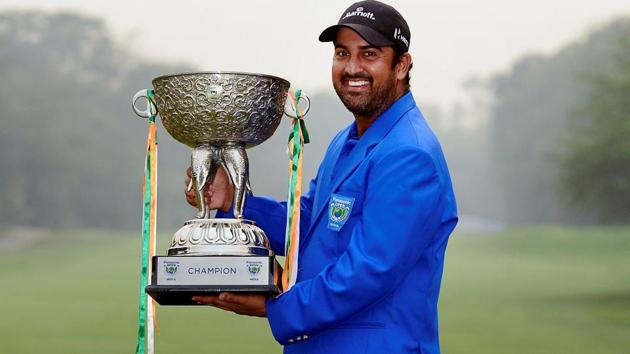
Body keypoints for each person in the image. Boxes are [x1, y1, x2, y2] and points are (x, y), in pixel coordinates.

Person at [187, 1, 458, 353]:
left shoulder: (409, 153)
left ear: (401, 65)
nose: (352, 67)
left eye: (369, 54)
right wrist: (233, 202)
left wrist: (275, 307)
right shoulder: (348, 139)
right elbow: (313, 225)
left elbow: (369, 270)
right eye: (342, 53)